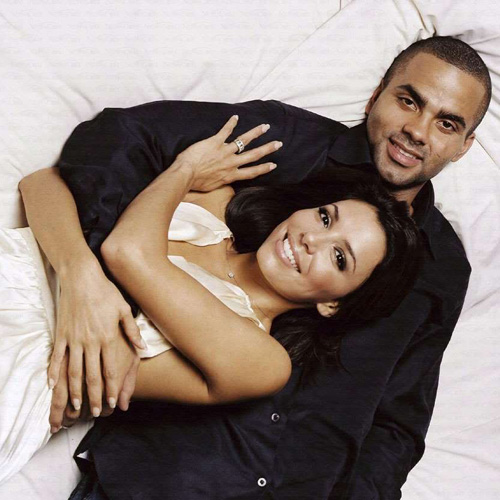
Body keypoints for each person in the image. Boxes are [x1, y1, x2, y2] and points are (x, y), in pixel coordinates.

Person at [21, 36, 491, 498]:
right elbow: (119, 141)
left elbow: (398, 422)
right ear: (375, 98)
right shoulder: (285, 142)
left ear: (464, 145)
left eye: (447, 123)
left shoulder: (444, 269)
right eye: (408, 101)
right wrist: (93, 288)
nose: (418, 130)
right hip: (164, 475)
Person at [0, 119, 419, 483]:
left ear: (335, 305)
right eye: (325, 217)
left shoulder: (263, 362)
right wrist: (79, 276)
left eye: (339, 257)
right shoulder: (214, 203)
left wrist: (184, 169)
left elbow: (127, 252)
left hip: (18, 370)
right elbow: (42, 184)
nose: (312, 238)